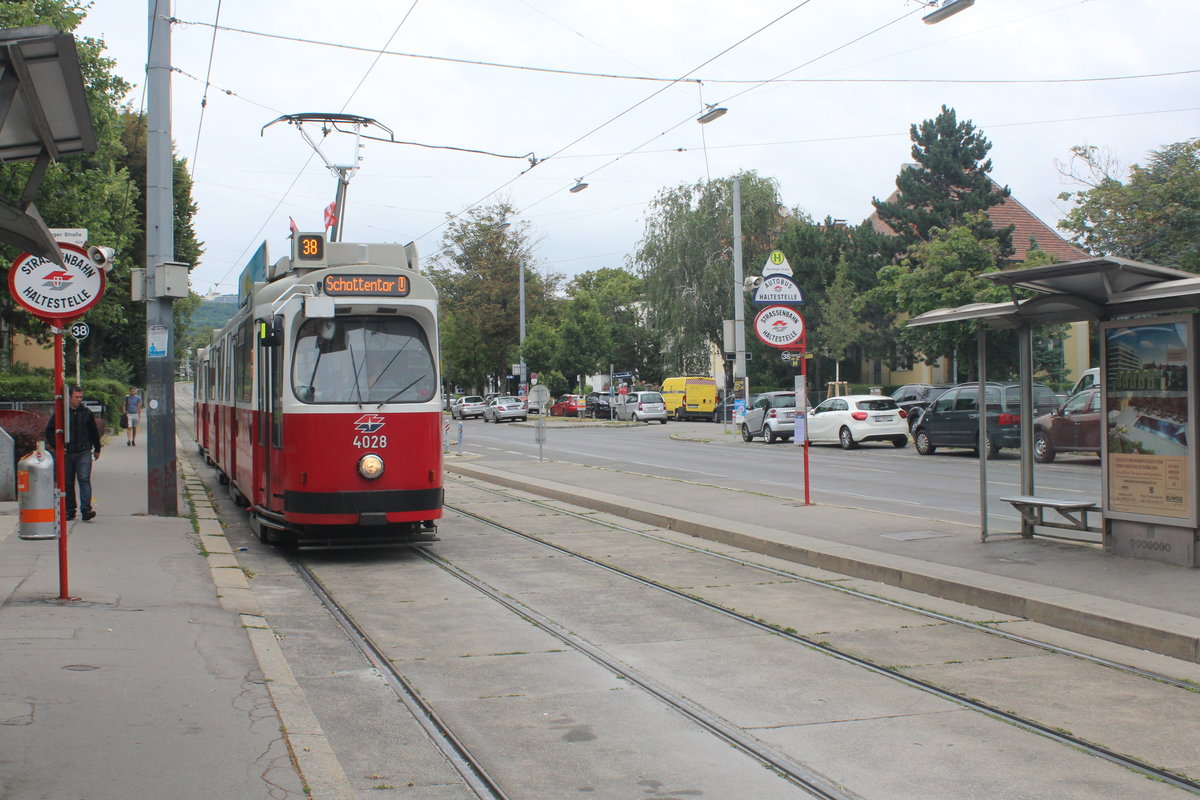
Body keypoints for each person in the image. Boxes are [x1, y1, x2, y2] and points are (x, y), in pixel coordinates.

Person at [44, 385, 102, 521]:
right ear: (69, 397)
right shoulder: (61, 414)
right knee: (68, 482)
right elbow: (49, 431)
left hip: (83, 451)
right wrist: (56, 446)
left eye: (81, 397)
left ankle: (86, 509)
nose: (79, 400)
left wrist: (97, 448)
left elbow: (93, 431)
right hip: (67, 453)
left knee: (84, 478)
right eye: (76, 397)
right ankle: (70, 510)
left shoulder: (86, 413)